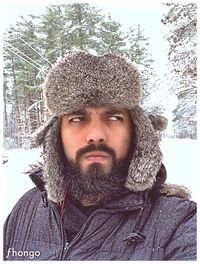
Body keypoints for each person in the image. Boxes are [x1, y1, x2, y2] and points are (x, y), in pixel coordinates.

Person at [4, 52, 196, 261]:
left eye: (113, 117)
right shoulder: (26, 209)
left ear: (136, 131)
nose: (96, 135)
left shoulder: (177, 223)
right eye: (78, 118)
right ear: (57, 135)